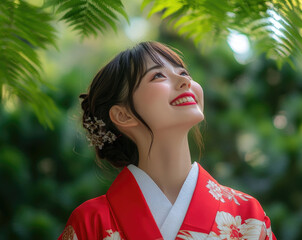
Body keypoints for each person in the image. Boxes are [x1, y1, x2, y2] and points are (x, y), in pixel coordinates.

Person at [58, 41, 276, 240]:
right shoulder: (90, 223)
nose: (185, 81)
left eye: (183, 72)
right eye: (158, 76)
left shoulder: (248, 216)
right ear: (123, 115)